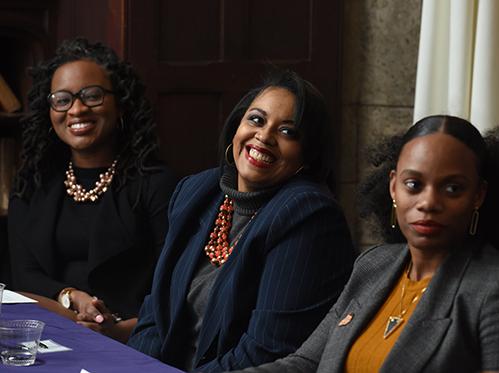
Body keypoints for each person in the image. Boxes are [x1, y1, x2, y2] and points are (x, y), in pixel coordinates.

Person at [230, 115, 499, 373]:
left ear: (478, 195)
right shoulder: (374, 265)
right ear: (393, 188)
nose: (428, 202)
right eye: (414, 184)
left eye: (452, 189)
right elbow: (305, 364)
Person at [127, 70, 356, 371]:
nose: (264, 136)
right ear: (237, 125)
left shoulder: (308, 215)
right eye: (257, 120)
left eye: (288, 132)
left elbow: (266, 351)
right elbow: (155, 316)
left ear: (307, 156)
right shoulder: (197, 191)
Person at [8, 38, 177, 342]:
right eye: (62, 99)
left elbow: (175, 283)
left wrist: (117, 330)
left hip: (134, 336)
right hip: (47, 332)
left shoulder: (156, 184)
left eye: (92, 96)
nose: (77, 109)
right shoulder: (32, 184)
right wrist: (71, 297)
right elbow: (25, 275)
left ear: (120, 104)